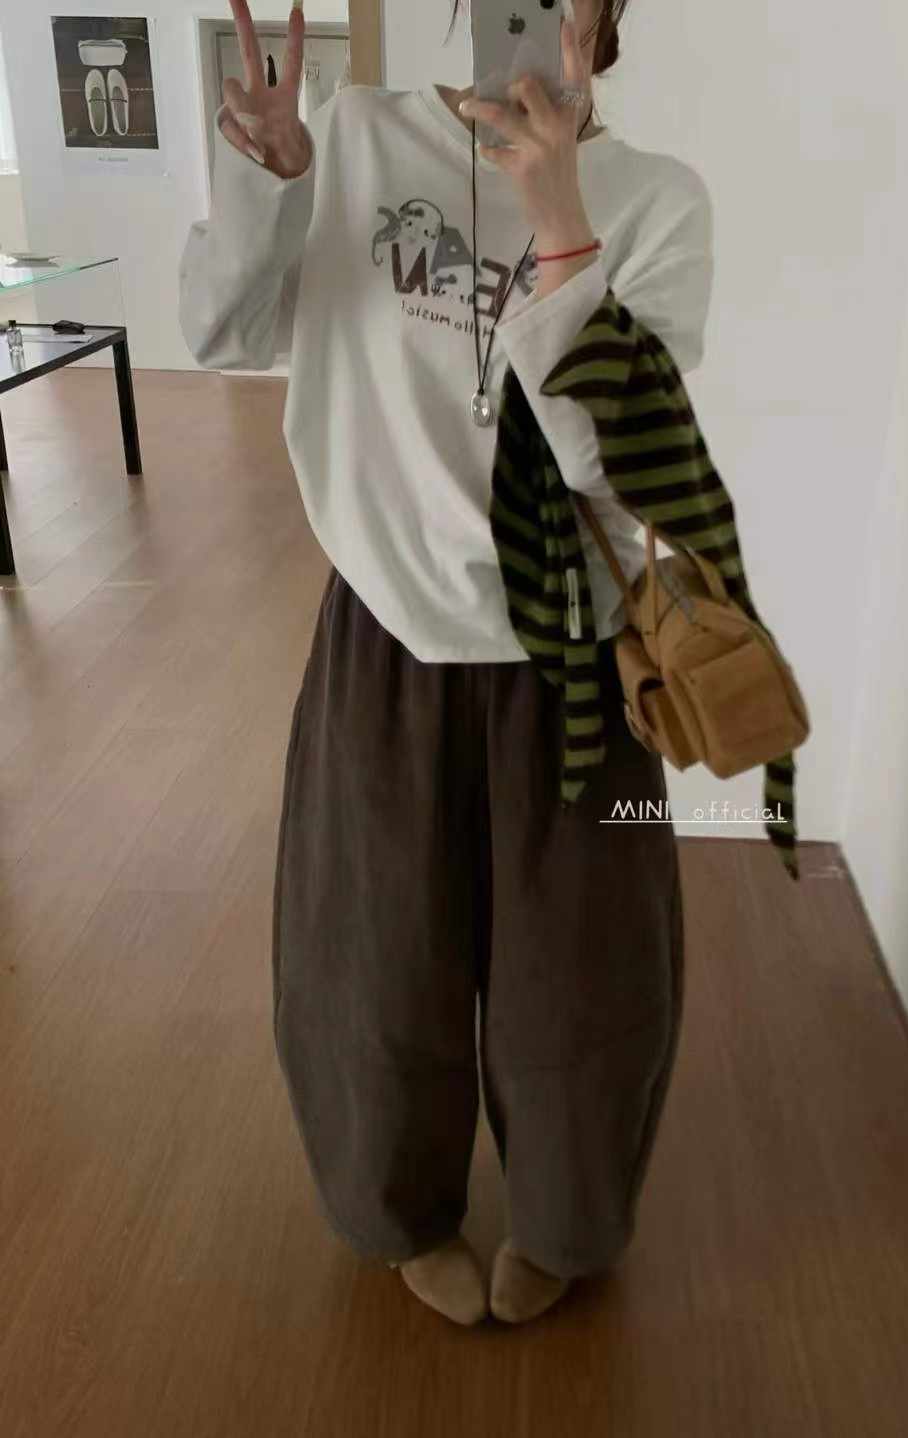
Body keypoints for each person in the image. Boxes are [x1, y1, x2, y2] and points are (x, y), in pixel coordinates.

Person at [179, 0, 714, 1327]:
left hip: (583, 655)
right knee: (370, 962)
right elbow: (225, 335)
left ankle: (568, 1221)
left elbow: (620, 464)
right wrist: (264, 182)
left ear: (604, 14)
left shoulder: (659, 201)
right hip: (387, 632)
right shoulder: (353, 138)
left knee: (590, 978)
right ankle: (398, 1208)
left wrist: (560, 217)